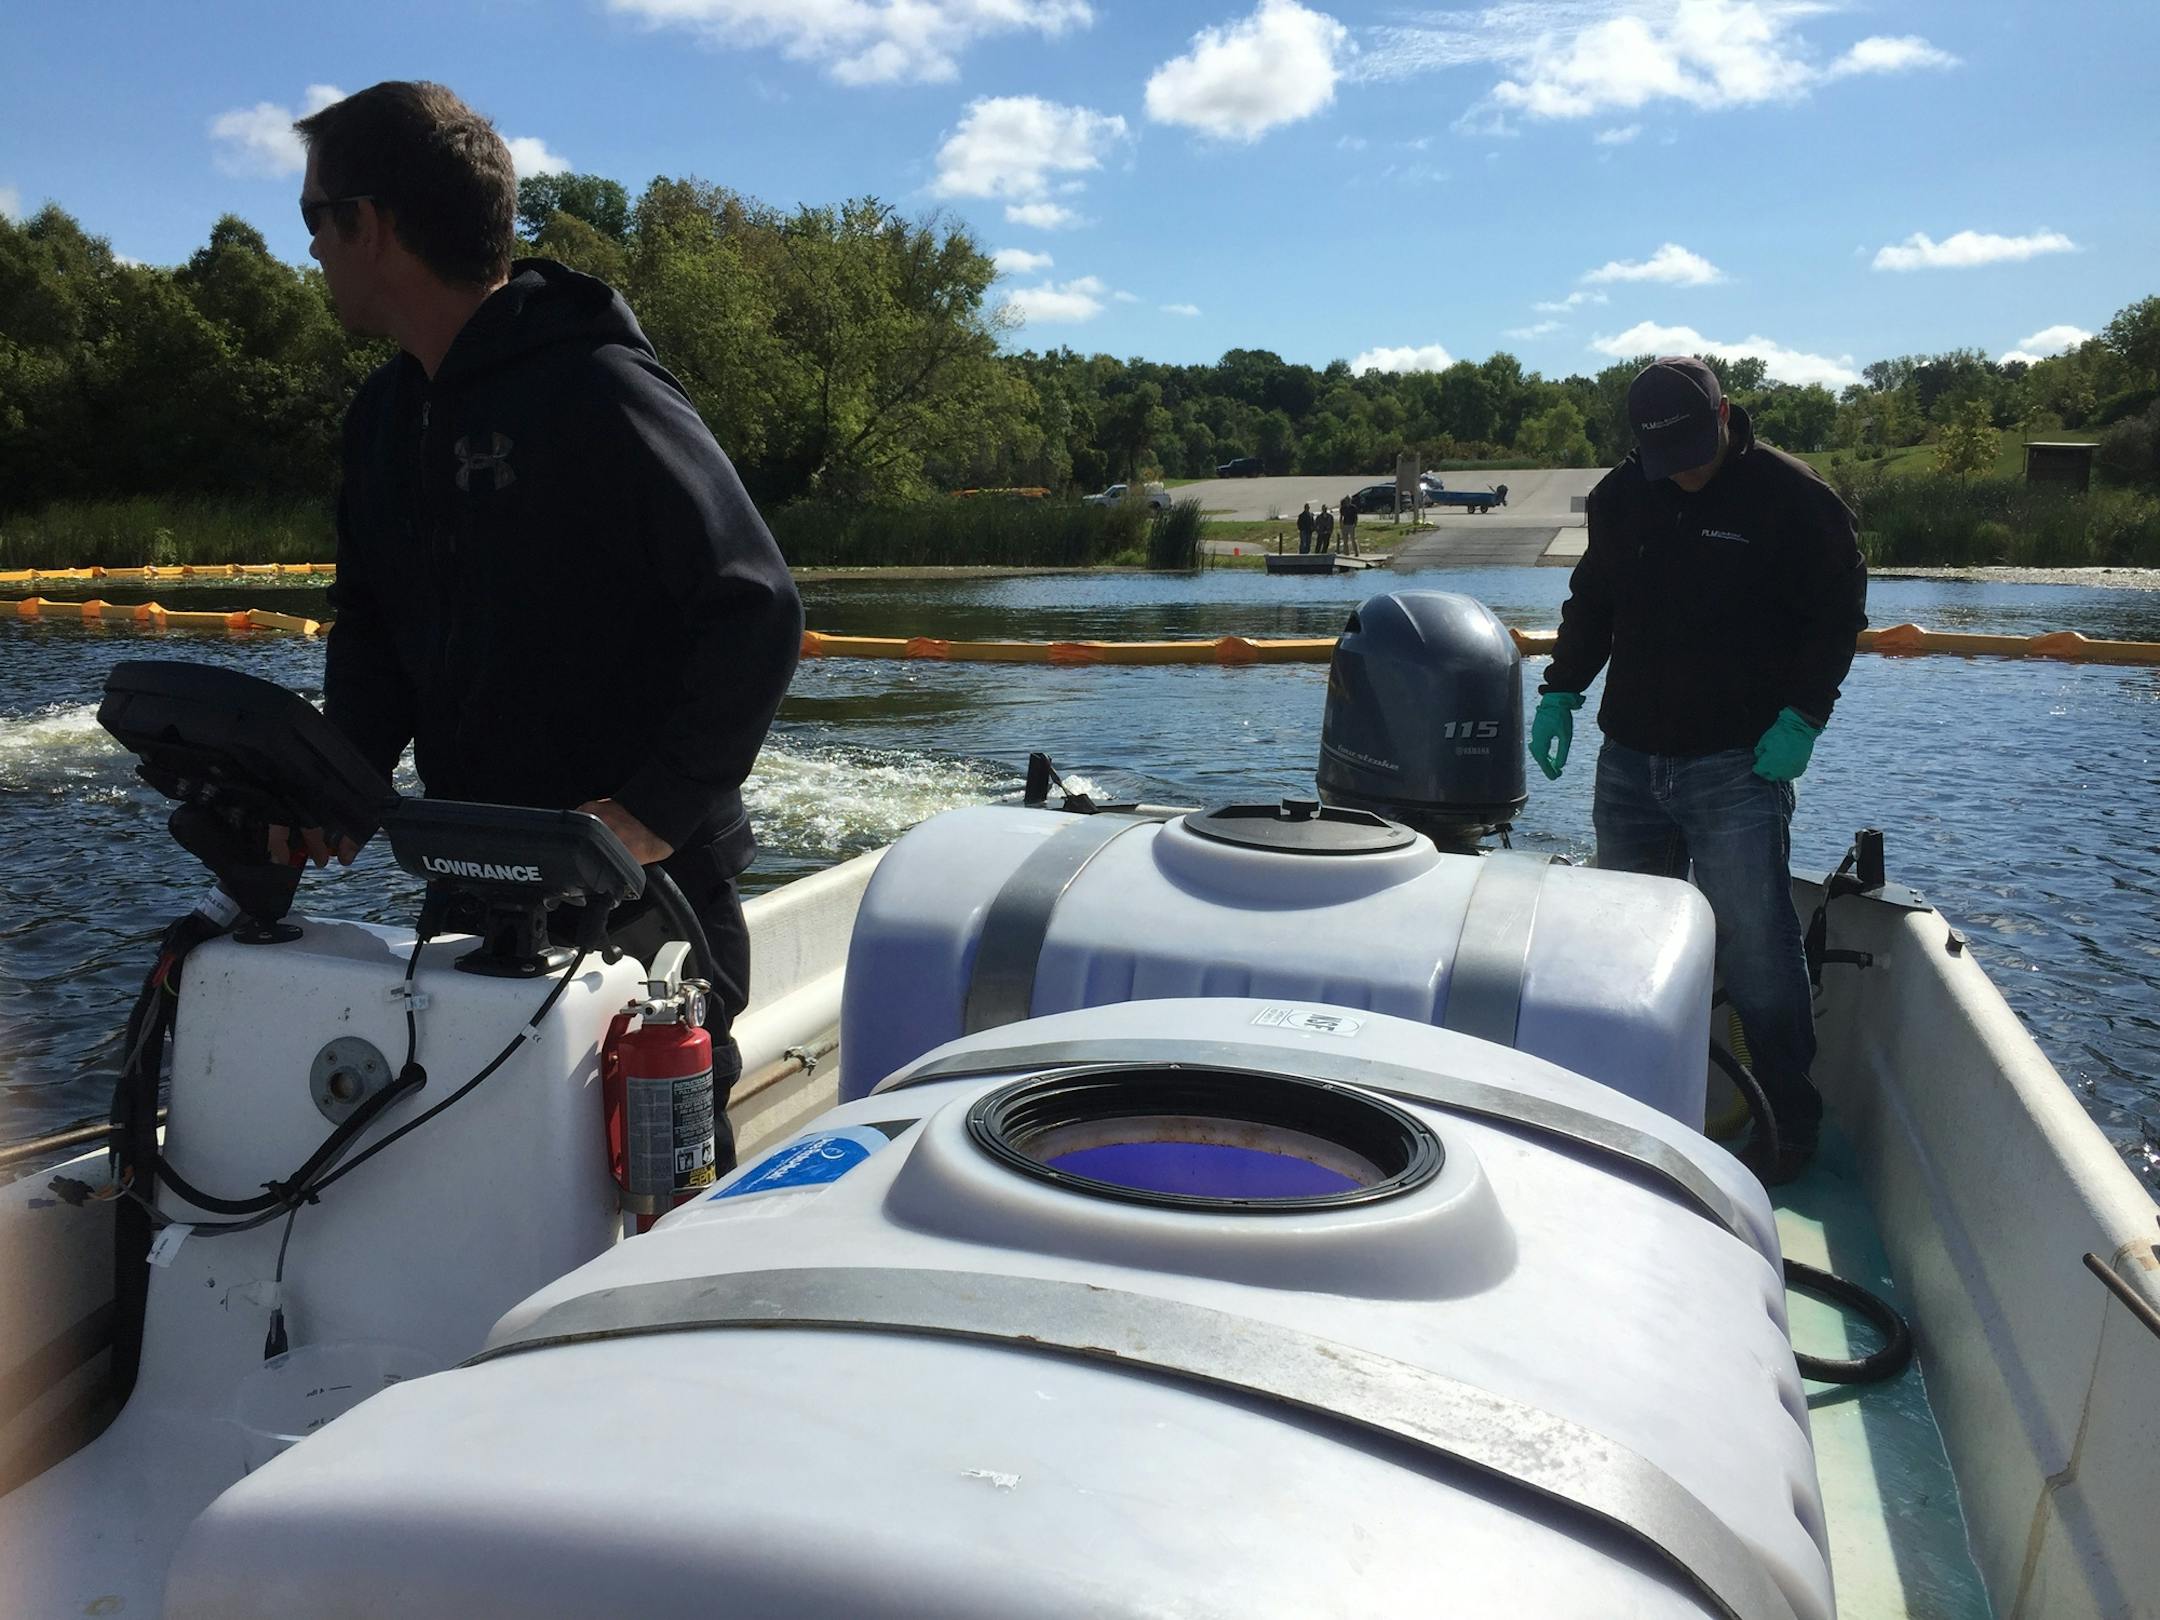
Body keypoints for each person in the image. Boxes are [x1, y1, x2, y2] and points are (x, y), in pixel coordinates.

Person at [289, 81, 803, 1169]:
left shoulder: (596, 385)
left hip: (643, 890)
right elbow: (373, 622)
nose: (314, 252)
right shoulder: (384, 417)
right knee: (485, 1159)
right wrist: (338, 778)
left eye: (314, 221)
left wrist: (653, 812)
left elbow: (755, 606)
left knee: (651, 1172)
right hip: (481, 870)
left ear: (369, 226)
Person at [1528, 355, 1866, 1184]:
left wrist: (1805, 716)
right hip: (1631, 760)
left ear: (1724, 418)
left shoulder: (1791, 498)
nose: (1677, 476)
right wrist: (1562, 689)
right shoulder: (1620, 497)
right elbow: (1594, 603)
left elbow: (1839, 608)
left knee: (1757, 950)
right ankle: (1622, 1108)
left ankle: (1788, 1121)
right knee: (1619, 950)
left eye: (1689, 454)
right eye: (1660, 461)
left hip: (1736, 764)